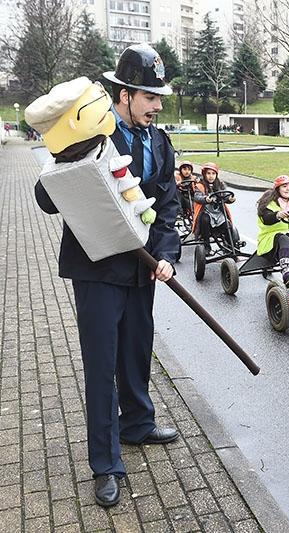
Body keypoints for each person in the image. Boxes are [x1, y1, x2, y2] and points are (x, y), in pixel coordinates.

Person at [32, 44, 180, 507]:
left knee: (137, 352)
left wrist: (167, 253)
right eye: (149, 97)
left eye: (159, 97)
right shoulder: (90, 133)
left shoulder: (159, 141)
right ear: (123, 95)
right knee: (101, 366)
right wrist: (70, 160)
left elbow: (168, 203)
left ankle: (137, 424)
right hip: (95, 269)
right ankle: (105, 464)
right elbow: (46, 197)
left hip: (142, 268)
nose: (158, 105)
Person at [192, 162, 236, 252]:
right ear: (204, 174)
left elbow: (225, 195)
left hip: (217, 212)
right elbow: (197, 197)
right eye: (208, 173)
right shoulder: (200, 186)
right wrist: (205, 199)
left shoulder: (220, 185)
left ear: (216, 175)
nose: (211, 176)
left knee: (227, 224)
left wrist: (230, 199)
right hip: (206, 212)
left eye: (213, 173)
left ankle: (231, 246)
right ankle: (206, 245)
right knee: (205, 219)